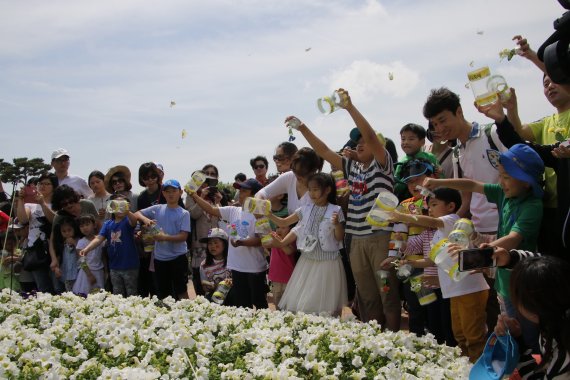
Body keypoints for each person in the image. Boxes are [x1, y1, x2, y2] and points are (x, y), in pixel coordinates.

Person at [285, 88, 399, 330]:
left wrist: (349, 108)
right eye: (357, 142)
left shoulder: (383, 165)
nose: (360, 145)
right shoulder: (353, 168)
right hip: (355, 240)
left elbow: (370, 136)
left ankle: (394, 337)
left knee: (387, 292)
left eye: (364, 142)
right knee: (366, 295)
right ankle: (374, 339)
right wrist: (303, 128)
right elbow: (324, 151)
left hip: (380, 238)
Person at [389, 187, 489, 362]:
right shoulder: (436, 233)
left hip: (469, 289)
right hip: (455, 291)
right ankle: (466, 368)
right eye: (429, 206)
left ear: (451, 206)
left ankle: (478, 368)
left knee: (473, 336)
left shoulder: (453, 220)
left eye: (434, 205)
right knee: (460, 335)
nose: (430, 209)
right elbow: (431, 260)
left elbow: (432, 222)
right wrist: (410, 263)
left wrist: (403, 217)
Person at [267, 173, 347, 316]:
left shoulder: (336, 210)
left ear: (327, 190)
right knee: (305, 304)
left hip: (328, 263)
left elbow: (339, 237)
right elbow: (284, 222)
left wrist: (336, 225)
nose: (311, 193)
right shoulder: (305, 209)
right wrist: (268, 214)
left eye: (315, 189)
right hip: (307, 262)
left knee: (326, 306)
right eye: (310, 189)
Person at [188, 178, 268, 309]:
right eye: (240, 190)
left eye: (244, 191)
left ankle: (266, 329)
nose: (240, 193)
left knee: (259, 303)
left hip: (255, 268)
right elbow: (211, 209)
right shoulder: (233, 210)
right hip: (236, 267)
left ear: (254, 195)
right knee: (242, 305)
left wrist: (242, 242)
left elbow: (262, 239)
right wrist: (194, 195)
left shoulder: (260, 215)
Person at [494, 256, 570, 378]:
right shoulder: (553, 324)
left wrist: (519, 347)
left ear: (533, 308)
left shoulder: (563, 353)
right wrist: (518, 340)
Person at [135, 179, 191, 300]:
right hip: (160, 258)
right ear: (163, 194)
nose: (170, 194)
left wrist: (164, 237)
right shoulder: (157, 208)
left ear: (180, 192)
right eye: (167, 191)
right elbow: (137, 213)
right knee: (162, 292)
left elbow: (183, 236)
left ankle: (189, 313)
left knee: (181, 290)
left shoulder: (184, 213)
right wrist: (146, 220)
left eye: (174, 191)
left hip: (178, 257)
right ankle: (165, 317)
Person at [78, 193, 140, 297]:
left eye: (123, 204)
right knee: (117, 294)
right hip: (114, 266)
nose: (120, 207)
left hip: (130, 265)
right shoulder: (107, 224)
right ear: (111, 206)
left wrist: (128, 212)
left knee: (132, 293)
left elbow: (134, 221)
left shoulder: (127, 221)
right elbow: (99, 238)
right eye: (116, 204)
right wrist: (87, 249)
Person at [50, 185, 98, 294]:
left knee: (95, 285)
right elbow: (52, 241)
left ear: (75, 198)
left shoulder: (87, 205)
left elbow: (98, 228)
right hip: (72, 258)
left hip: (91, 252)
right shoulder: (60, 216)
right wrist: (54, 260)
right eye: (64, 204)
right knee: (77, 288)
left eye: (71, 201)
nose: (69, 205)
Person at [16, 172, 58, 293]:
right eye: (40, 183)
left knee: (57, 286)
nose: (43, 186)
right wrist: (20, 200)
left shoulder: (57, 205)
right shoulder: (30, 205)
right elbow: (23, 219)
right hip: (35, 251)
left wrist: (43, 204)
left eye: (47, 184)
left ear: (54, 187)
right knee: (42, 288)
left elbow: (54, 220)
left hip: (54, 250)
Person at [185, 166, 222, 297]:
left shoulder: (215, 196)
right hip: (199, 246)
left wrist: (218, 202)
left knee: (218, 281)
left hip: (217, 244)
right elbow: (193, 214)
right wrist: (201, 197)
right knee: (200, 282)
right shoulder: (191, 196)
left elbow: (221, 218)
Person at [256, 147, 323, 214]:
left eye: (302, 173)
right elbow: (263, 192)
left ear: (313, 171)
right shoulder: (289, 177)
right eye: (295, 171)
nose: (297, 176)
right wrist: (259, 202)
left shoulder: (321, 186)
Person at [393, 123, 439, 201]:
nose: (406, 142)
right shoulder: (401, 163)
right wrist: (407, 181)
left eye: (411, 139)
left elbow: (441, 178)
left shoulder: (430, 157)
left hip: (430, 198)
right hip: (408, 201)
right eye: (403, 139)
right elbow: (396, 187)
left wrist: (439, 173)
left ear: (422, 142)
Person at [262, 220, 296, 309]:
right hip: (275, 277)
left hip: (289, 277)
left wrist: (279, 241)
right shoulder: (273, 238)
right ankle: (278, 319)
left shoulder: (292, 240)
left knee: (289, 303)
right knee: (277, 301)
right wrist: (266, 233)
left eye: (283, 227)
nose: (279, 230)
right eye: (277, 227)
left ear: (291, 231)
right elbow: (264, 244)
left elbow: (288, 251)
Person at [73, 214, 105, 295]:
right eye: (81, 226)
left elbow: (103, 256)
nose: (84, 228)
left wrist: (106, 271)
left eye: (87, 225)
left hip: (99, 270)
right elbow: (81, 260)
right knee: (86, 294)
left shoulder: (100, 240)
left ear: (94, 225)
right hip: (86, 273)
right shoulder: (81, 242)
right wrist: (89, 275)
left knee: (99, 294)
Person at [198, 228, 233, 304]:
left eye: (215, 242)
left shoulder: (233, 260)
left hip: (232, 295)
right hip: (215, 298)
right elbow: (205, 288)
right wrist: (209, 286)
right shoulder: (204, 265)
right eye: (210, 243)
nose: (212, 246)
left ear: (224, 244)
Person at [58, 216, 79, 292]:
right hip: (66, 273)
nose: (67, 233)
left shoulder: (78, 240)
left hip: (77, 272)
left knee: (79, 291)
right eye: (64, 231)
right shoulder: (61, 243)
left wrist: (74, 243)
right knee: (69, 292)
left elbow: (81, 254)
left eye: (69, 230)